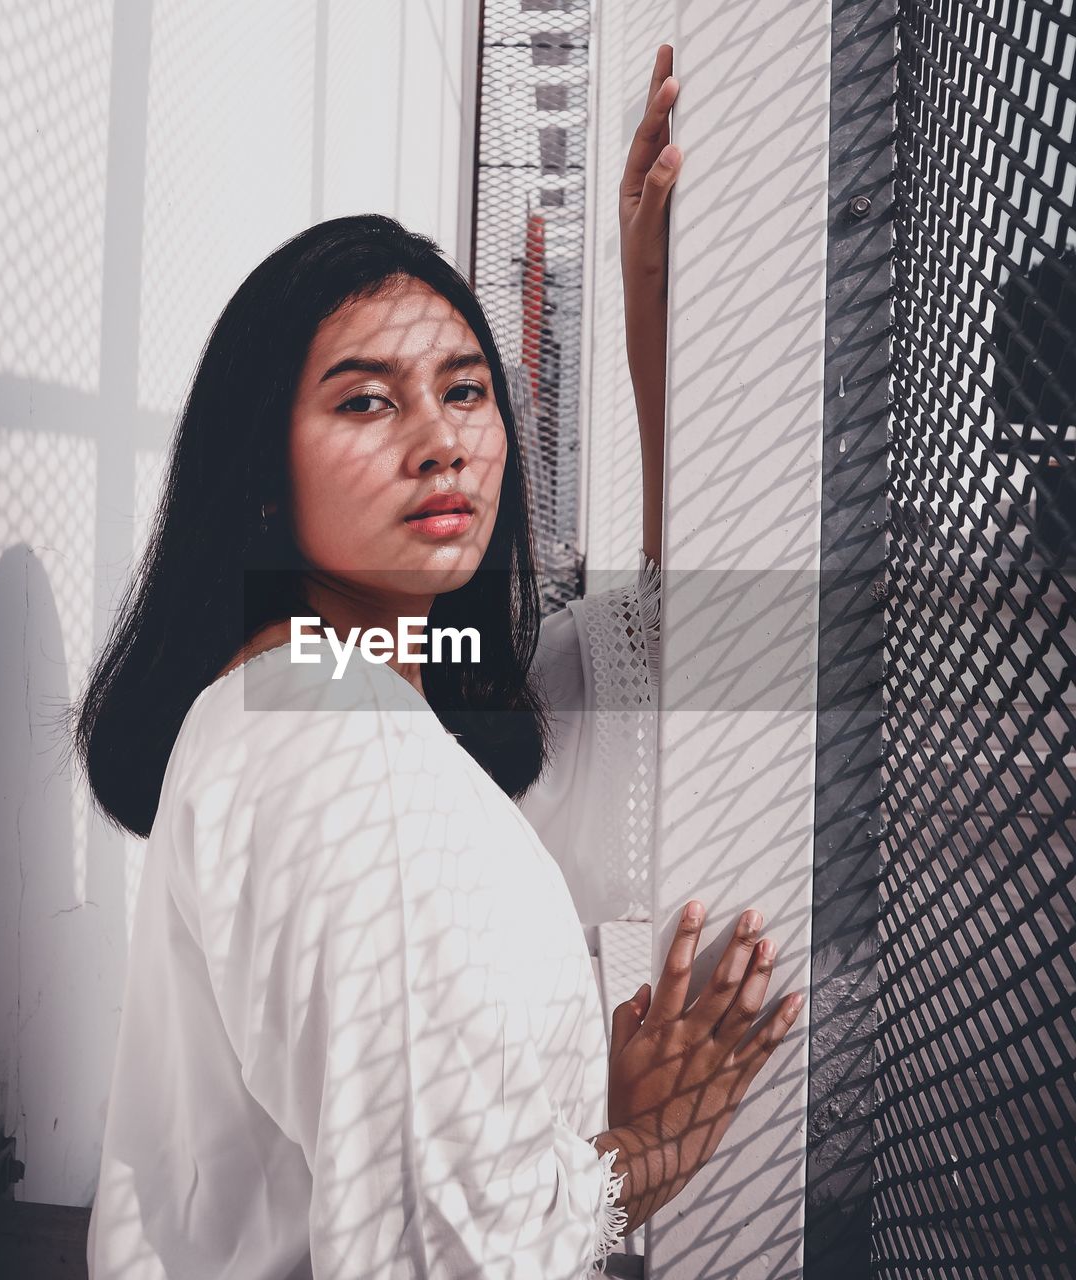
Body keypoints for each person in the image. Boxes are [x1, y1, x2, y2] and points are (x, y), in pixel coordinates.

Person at [76, 46, 802, 1279]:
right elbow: (446, 1248)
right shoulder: (340, 756)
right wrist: (647, 1144)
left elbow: (683, 622)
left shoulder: (353, 701)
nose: (439, 443)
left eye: (465, 391)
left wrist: (657, 306)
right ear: (259, 475)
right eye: (365, 402)